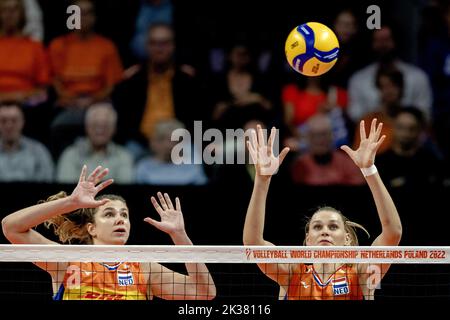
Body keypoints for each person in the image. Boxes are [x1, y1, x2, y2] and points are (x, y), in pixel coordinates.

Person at [1, 165, 216, 300]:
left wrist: (180, 237)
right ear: (91, 228)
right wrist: (69, 203)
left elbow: (205, 293)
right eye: (109, 214)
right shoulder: (67, 263)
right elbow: (11, 227)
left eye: (124, 214)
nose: (120, 218)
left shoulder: (144, 268)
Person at [243, 119, 402, 300]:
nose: (325, 231)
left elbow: (393, 233)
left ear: (347, 238)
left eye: (333, 227)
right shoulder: (291, 274)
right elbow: (253, 245)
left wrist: (369, 170)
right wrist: (262, 181)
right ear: (308, 239)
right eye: (317, 227)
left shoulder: (361, 274)